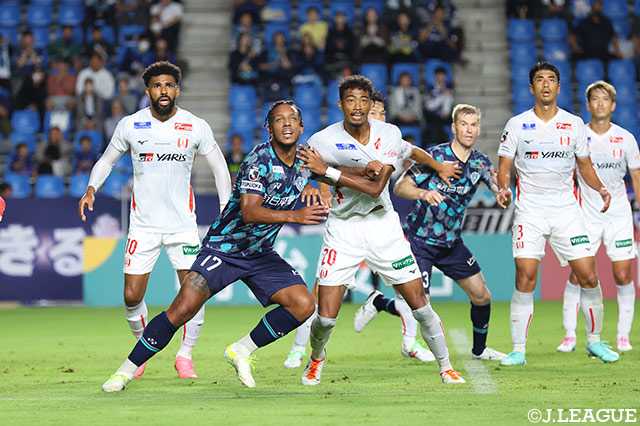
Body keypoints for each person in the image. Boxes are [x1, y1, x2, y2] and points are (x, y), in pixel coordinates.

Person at [100, 100, 328, 392]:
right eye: (279, 120)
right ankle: (125, 371)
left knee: (303, 304)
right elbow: (250, 212)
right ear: (269, 129)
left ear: (302, 126)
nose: (287, 124)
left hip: (260, 252)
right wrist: (295, 216)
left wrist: (323, 183)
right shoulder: (258, 160)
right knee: (182, 309)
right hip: (225, 248)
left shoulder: (307, 160)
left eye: (292, 119)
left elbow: (330, 171)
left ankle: (241, 350)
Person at [297, 75, 465, 385]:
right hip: (343, 229)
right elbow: (306, 169)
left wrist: (329, 171)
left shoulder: (389, 133)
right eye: (350, 100)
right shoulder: (322, 140)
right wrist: (314, 179)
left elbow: (376, 187)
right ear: (340, 104)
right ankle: (316, 358)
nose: (357, 107)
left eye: (363, 100)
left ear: (370, 104)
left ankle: (446, 366)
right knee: (326, 318)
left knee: (420, 306)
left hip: (383, 225)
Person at [79, 61, 233, 381]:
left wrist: (225, 207)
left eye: (169, 85)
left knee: (194, 291)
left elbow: (220, 167)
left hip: (183, 226)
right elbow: (107, 160)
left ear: (177, 90)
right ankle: (142, 349)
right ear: (148, 90)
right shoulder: (131, 125)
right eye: (157, 85)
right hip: (144, 226)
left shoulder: (195, 125)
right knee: (131, 296)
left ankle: (185, 355)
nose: (163, 90)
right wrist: (92, 188)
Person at [355, 103, 506, 361]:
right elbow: (401, 187)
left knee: (482, 296)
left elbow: (498, 188)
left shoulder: (480, 162)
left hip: (451, 243)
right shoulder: (435, 156)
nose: (469, 130)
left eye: (473, 125)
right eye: (464, 124)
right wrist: (424, 194)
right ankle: (395, 320)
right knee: (419, 307)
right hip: (420, 241)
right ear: (454, 127)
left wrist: (502, 195)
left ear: (479, 129)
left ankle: (479, 350)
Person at [496, 61, 618, 366]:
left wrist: (601, 188)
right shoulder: (517, 124)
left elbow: (585, 166)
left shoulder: (573, 123)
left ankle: (594, 341)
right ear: (532, 88)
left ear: (559, 87)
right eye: (540, 79)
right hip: (530, 211)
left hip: (566, 210)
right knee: (525, 276)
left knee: (588, 275)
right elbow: (504, 166)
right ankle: (518, 350)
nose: (546, 84)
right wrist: (503, 188)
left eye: (551, 79)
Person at [557, 81, 639, 353]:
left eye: (605, 99)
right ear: (588, 104)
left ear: (613, 105)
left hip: (619, 215)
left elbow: (636, 175)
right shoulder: (578, 136)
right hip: (586, 215)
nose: (600, 103)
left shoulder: (625, 138)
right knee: (578, 274)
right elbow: (567, 173)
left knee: (623, 274)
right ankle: (570, 335)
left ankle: (623, 336)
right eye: (595, 99)